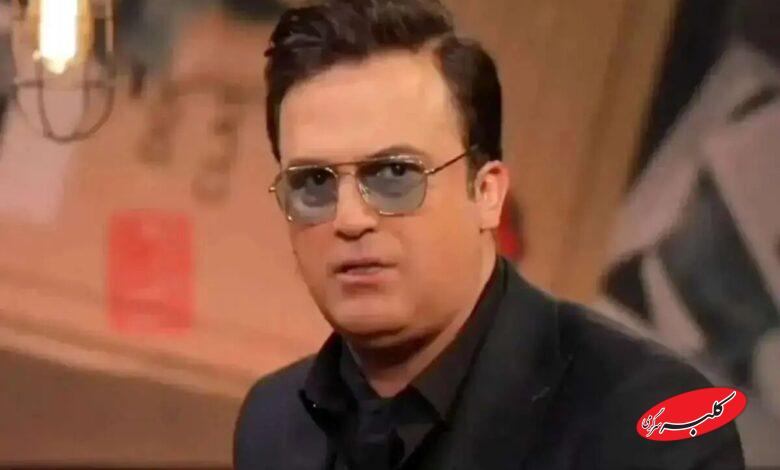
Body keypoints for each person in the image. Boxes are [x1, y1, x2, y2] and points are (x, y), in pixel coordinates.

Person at [234, 1, 744, 468]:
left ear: (487, 194)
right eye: (314, 183)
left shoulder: (645, 422)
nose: (348, 219)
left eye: (394, 175)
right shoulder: (273, 419)